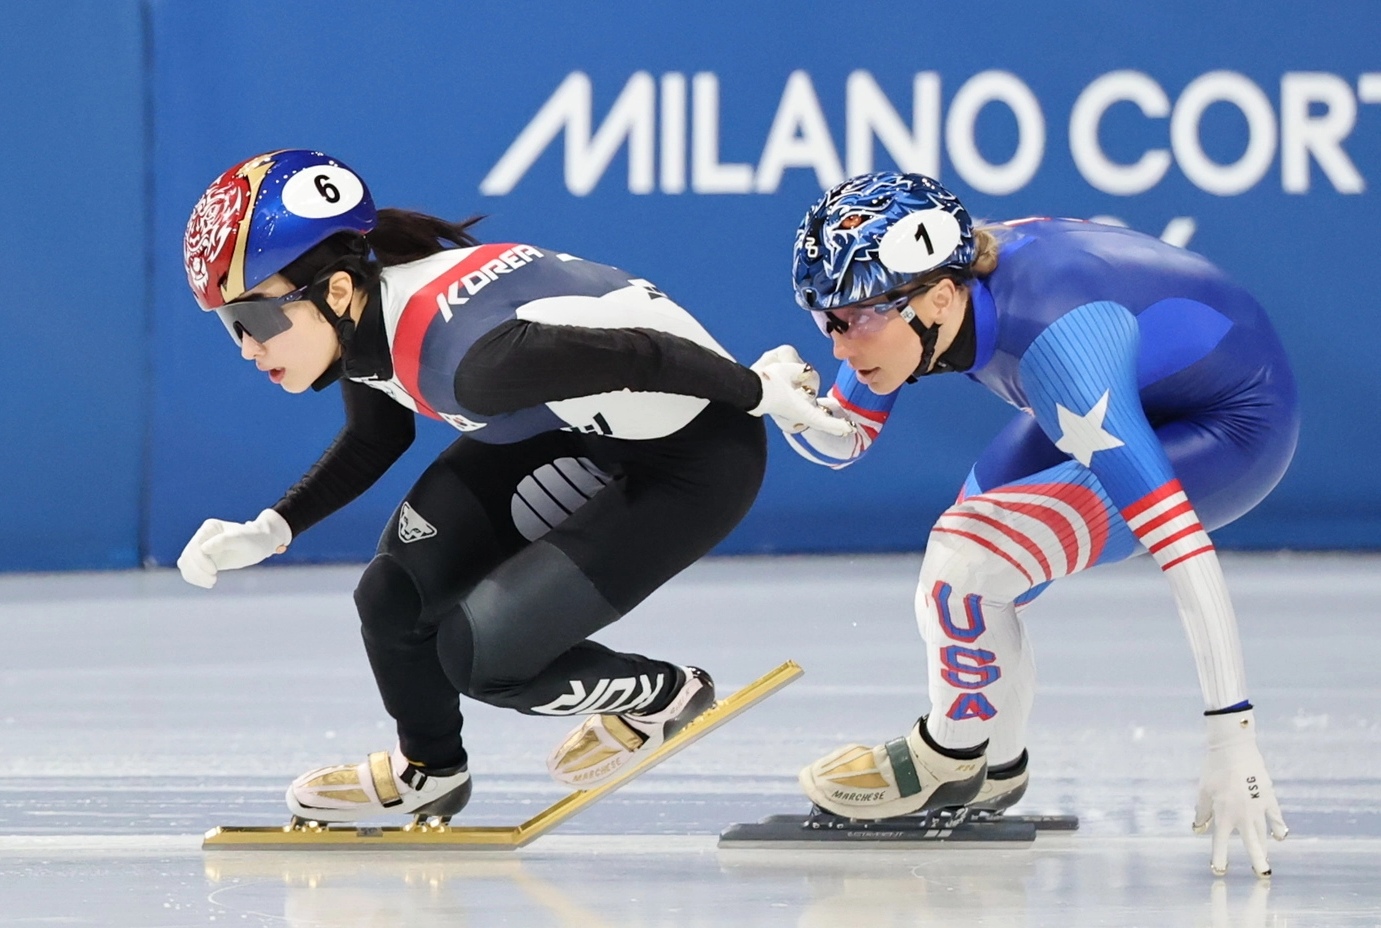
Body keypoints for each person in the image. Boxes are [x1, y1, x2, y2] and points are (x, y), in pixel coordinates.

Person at [175, 149, 852, 824]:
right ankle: (430, 772)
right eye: (231, 325)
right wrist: (272, 528)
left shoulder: (471, 360)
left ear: (338, 291)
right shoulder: (368, 320)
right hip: (578, 429)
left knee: (483, 656)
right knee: (391, 598)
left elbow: (646, 354)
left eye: (256, 321)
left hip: (694, 461)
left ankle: (664, 695)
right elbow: (377, 437)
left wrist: (760, 392)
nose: (246, 347)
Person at [752, 172, 1297, 877]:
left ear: (941, 299)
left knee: (967, 561)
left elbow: (1182, 548)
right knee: (965, 565)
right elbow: (848, 436)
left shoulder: (1062, 346)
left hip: (1231, 425)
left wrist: (1233, 736)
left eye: (852, 320)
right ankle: (993, 762)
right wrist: (783, 403)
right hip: (1139, 389)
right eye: (825, 322)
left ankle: (949, 758)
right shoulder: (909, 287)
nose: (839, 346)